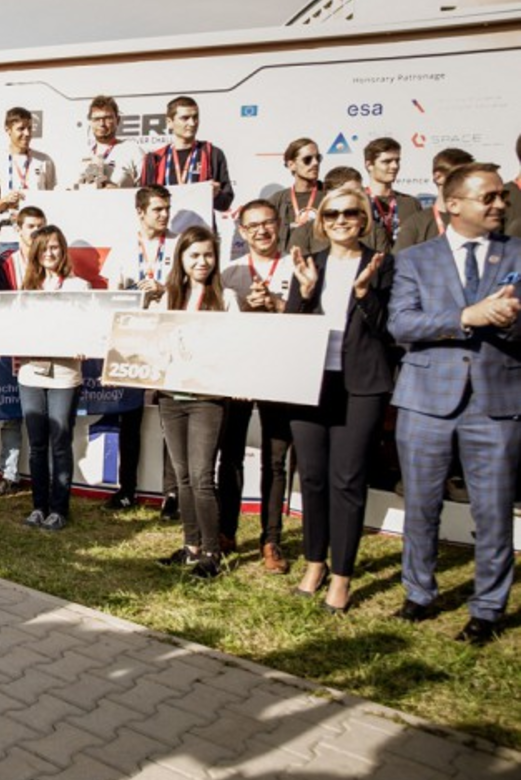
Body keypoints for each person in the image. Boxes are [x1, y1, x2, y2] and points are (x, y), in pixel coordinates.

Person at [388, 162, 521, 645]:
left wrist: (509, 320)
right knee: (421, 505)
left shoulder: (517, 254)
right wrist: (468, 315)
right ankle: (419, 593)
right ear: (453, 204)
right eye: (489, 197)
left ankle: (487, 609)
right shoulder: (415, 259)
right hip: (426, 400)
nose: (500, 204)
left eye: (502, 196)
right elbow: (401, 324)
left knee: (494, 511)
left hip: (496, 400)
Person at [285, 187, 394, 612]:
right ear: (321, 222)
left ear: (364, 219)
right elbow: (291, 327)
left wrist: (365, 295)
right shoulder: (310, 263)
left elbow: (390, 330)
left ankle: (342, 576)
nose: (341, 220)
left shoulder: (383, 265)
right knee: (312, 477)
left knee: (347, 480)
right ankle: (315, 563)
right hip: (311, 384)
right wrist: (305, 291)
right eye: (332, 214)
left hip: (361, 385)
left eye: (350, 212)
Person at [217, 199, 297, 573]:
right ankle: (225, 531)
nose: (261, 231)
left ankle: (271, 540)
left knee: (275, 460)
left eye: (267, 223)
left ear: (278, 224)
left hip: (280, 373)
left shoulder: (297, 266)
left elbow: (311, 320)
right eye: (252, 226)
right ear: (242, 232)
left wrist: (278, 303)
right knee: (230, 454)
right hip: (238, 375)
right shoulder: (230, 272)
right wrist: (247, 309)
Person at [155, 225, 238, 579]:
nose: (202, 261)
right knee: (183, 475)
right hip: (172, 398)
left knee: (203, 476)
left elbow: (235, 345)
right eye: (194, 255)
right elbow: (157, 344)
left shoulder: (227, 298)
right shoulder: (169, 297)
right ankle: (191, 546)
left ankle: (212, 552)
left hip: (207, 399)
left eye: (208, 255)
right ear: (181, 259)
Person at [101, 185, 179, 516]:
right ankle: (127, 489)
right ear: (140, 212)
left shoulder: (178, 244)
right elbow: (111, 297)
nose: (164, 215)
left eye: (167, 208)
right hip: (133, 341)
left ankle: (172, 494)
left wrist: (164, 287)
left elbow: (192, 289)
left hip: (170, 339)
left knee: (172, 418)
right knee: (130, 418)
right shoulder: (123, 247)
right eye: (158, 209)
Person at [17, 226, 92, 531]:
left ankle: (59, 509)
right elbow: (12, 328)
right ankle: (39, 507)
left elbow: (89, 328)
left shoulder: (80, 287)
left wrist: (85, 344)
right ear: (35, 253)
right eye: (44, 248)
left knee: (60, 442)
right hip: (31, 372)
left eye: (55, 247)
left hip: (64, 373)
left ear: (63, 251)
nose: (49, 253)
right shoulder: (25, 289)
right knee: (37, 444)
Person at [0, 205, 48, 497]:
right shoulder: (3, 263)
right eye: (31, 226)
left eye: (40, 226)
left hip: (45, 344)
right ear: (19, 229)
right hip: (13, 344)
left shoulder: (51, 258)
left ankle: (45, 474)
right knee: (12, 412)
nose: (36, 232)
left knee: (44, 414)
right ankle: (9, 474)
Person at [141, 96, 234, 213]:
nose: (192, 123)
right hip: (166, 223)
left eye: (195, 117)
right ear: (170, 122)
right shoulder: (155, 158)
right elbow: (144, 202)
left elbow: (225, 203)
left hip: (200, 224)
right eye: (185, 118)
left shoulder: (212, 154)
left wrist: (216, 195)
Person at [0, 107, 56, 251]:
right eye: (21, 129)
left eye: (29, 128)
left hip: (38, 238)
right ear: (8, 129)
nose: (27, 134)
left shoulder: (44, 160)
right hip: (9, 238)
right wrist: (5, 201)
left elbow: (51, 200)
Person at [287, 166, 393, 256]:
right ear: (329, 196)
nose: (360, 198)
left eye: (361, 192)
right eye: (350, 193)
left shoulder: (375, 231)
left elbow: (384, 268)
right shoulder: (303, 233)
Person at [394, 147, 474, 252]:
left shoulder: (477, 222)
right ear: (438, 177)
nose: (467, 184)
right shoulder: (416, 224)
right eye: (460, 178)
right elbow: (399, 261)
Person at [363, 137, 422, 247]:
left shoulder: (411, 203)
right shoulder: (356, 201)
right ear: (369, 165)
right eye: (387, 161)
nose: (395, 166)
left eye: (397, 161)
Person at [75, 95, 143, 190]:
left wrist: (117, 192)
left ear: (117, 120)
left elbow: (147, 193)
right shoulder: (81, 154)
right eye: (96, 119)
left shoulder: (132, 151)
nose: (102, 124)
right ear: (90, 122)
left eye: (107, 118)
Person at [268, 138, 323, 251]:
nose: (315, 163)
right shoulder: (277, 200)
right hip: (288, 260)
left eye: (318, 158)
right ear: (291, 165)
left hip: (323, 260)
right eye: (307, 159)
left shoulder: (331, 196)